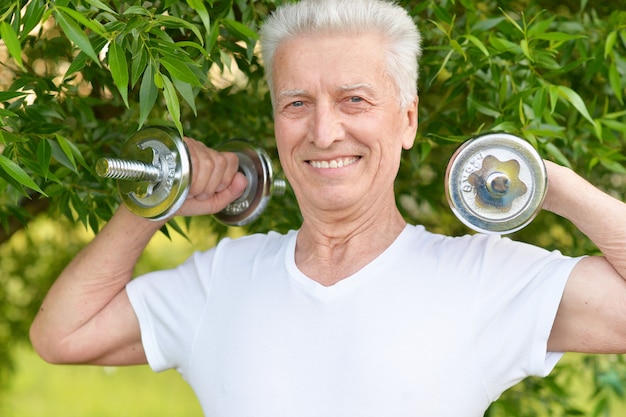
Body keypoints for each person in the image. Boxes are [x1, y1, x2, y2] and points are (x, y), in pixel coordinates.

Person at [30, 0, 626, 416]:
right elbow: (63, 335)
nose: (323, 131)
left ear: (408, 119)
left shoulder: (481, 278)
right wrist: (158, 198)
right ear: (275, 122)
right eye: (296, 103)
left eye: (355, 100)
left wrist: (542, 179)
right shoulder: (222, 281)